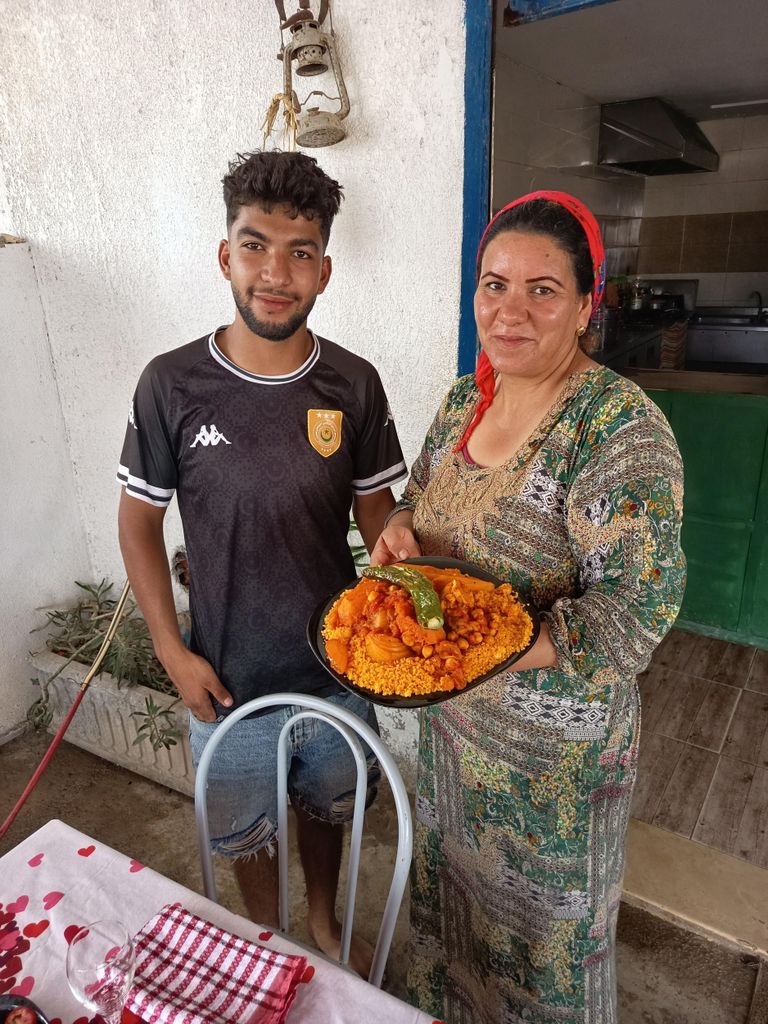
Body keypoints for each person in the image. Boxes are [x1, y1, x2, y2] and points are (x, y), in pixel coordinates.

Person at [371, 191, 686, 1022]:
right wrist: (402, 529)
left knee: (546, 974)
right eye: (493, 284)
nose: (510, 311)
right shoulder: (459, 402)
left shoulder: (617, 429)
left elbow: (635, 613)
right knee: (452, 938)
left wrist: (493, 643)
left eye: (542, 290)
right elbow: (418, 499)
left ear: (586, 305)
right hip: (451, 743)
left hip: (553, 778)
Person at [117, 150, 407, 975]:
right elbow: (139, 523)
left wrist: (406, 556)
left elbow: (378, 515)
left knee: (326, 810)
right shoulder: (171, 385)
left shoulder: (354, 384)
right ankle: (267, 935)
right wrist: (174, 654)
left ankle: (321, 921)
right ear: (225, 256)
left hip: (340, 669)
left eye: (300, 251)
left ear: (325, 269)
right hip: (224, 675)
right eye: (255, 246)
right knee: (244, 829)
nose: (276, 273)